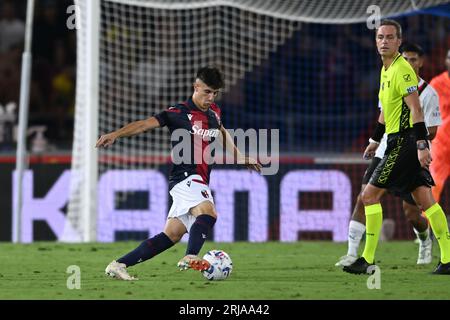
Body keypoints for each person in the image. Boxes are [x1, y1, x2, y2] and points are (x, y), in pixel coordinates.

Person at [96, 66, 261, 280]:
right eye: (207, 92)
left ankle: (118, 265)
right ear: (196, 87)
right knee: (208, 213)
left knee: (171, 234)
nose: (211, 97)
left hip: (197, 179)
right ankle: (190, 256)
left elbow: (221, 130)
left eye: (215, 93)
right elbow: (144, 125)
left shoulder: (214, 113)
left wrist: (239, 156)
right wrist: (116, 134)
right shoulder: (178, 113)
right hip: (186, 176)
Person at [343, 20, 450, 275]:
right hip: (396, 141)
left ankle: (366, 259)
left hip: (404, 143)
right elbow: (385, 112)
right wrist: (374, 140)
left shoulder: (402, 70)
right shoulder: (386, 68)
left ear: (398, 41)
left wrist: (422, 145)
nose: (384, 41)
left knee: (369, 196)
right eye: (380, 37)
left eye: (390, 37)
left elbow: (416, 108)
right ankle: (447, 259)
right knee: (426, 201)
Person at [429, 49, 450, 203]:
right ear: (445, 61)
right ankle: (425, 226)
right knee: (433, 185)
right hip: (441, 145)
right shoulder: (437, 84)